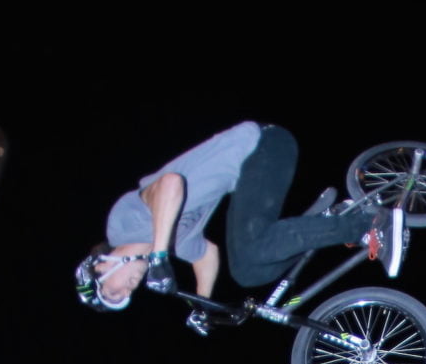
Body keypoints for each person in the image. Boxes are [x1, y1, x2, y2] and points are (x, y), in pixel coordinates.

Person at [74, 123, 404, 330]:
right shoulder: (175, 243)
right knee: (248, 273)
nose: (127, 291)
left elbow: (170, 184)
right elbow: (206, 255)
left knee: (252, 246)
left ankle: (369, 224)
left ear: (100, 266)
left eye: (113, 291)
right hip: (251, 175)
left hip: (259, 147)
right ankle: (324, 224)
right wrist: (202, 305)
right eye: (124, 297)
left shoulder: (122, 224)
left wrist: (160, 256)